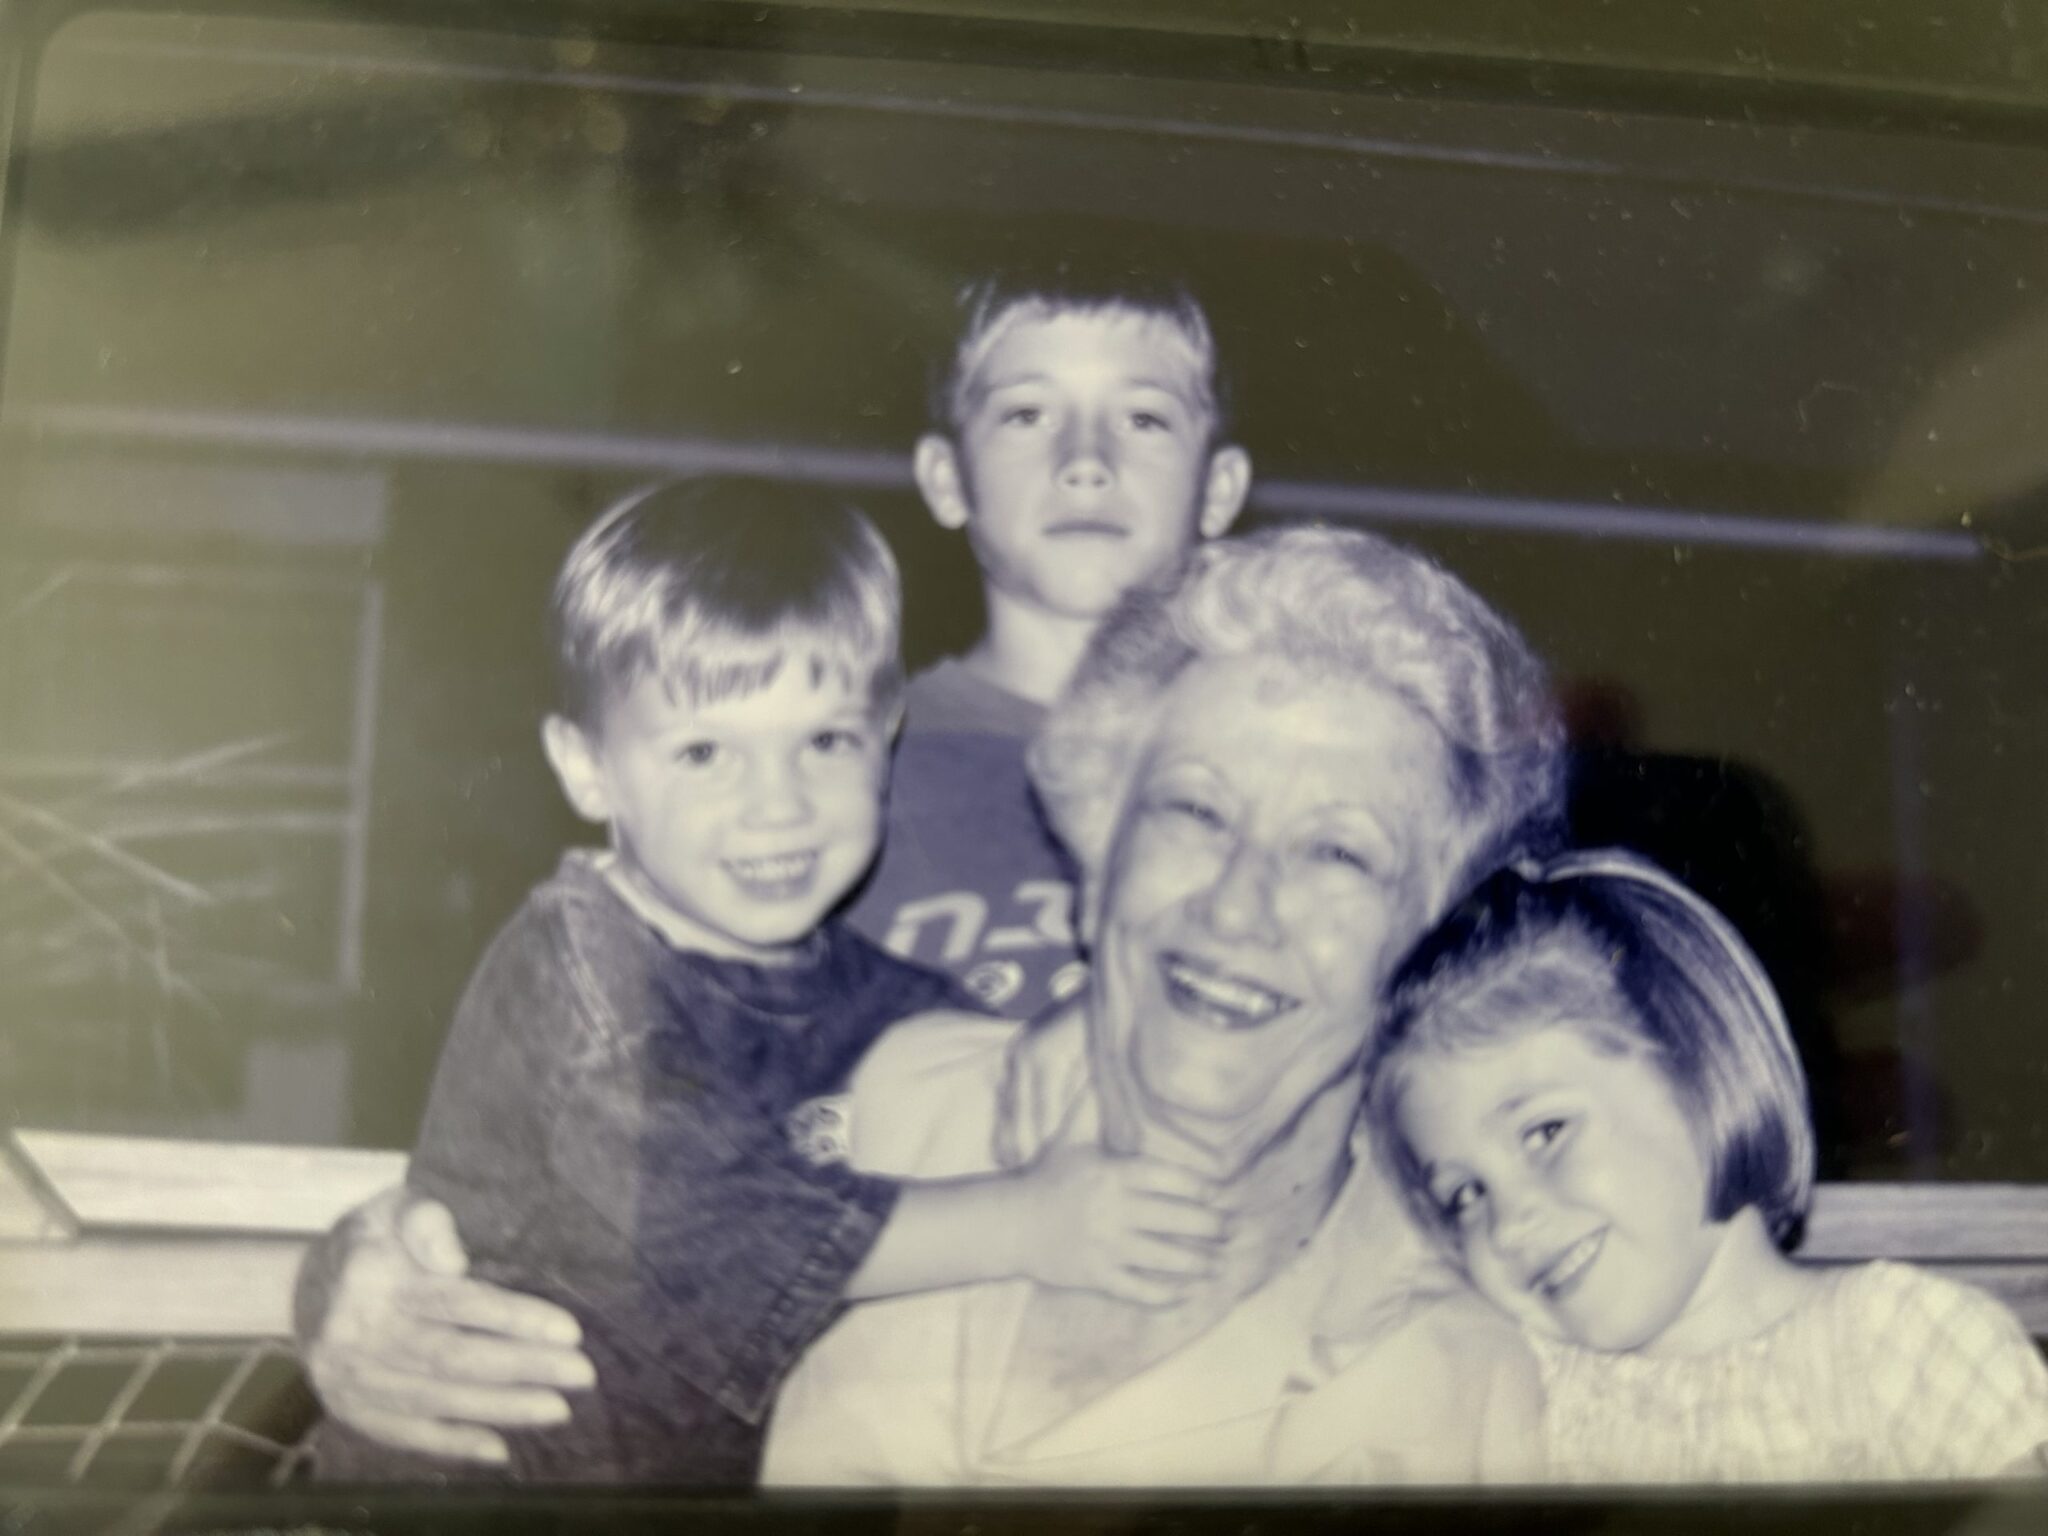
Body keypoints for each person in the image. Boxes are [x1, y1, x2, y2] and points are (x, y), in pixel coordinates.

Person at [304, 523, 1570, 1485]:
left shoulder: (1444, 1381)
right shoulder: (902, 1082)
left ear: (1430, 946)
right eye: (1193, 812)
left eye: (1338, 855)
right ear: (1094, 853)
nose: (1238, 910)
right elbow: (605, 1180)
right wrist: (343, 1277)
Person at [314, 477, 1229, 1485]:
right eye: (705, 752)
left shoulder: (864, 990)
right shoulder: (579, 971)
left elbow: (996, 1063)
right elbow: (710, 1224)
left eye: (824, 741)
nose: (777, 807)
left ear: (885, 733)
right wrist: (1032, 1219)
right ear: (587, 770)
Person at [1361, 848, 2048, 1483]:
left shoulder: (1903, 1350)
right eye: (1463, 1195)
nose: (1508, 1226)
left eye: (1544, 1132)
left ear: (1696, 1068)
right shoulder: (1513, 1407)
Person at [842, 263, 1250, 1019]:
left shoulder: (1287, 765)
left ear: (1218, 490)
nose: (1087, 464)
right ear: (946, 478)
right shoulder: (848, 762)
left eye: (1144, 420)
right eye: (1027, 415)